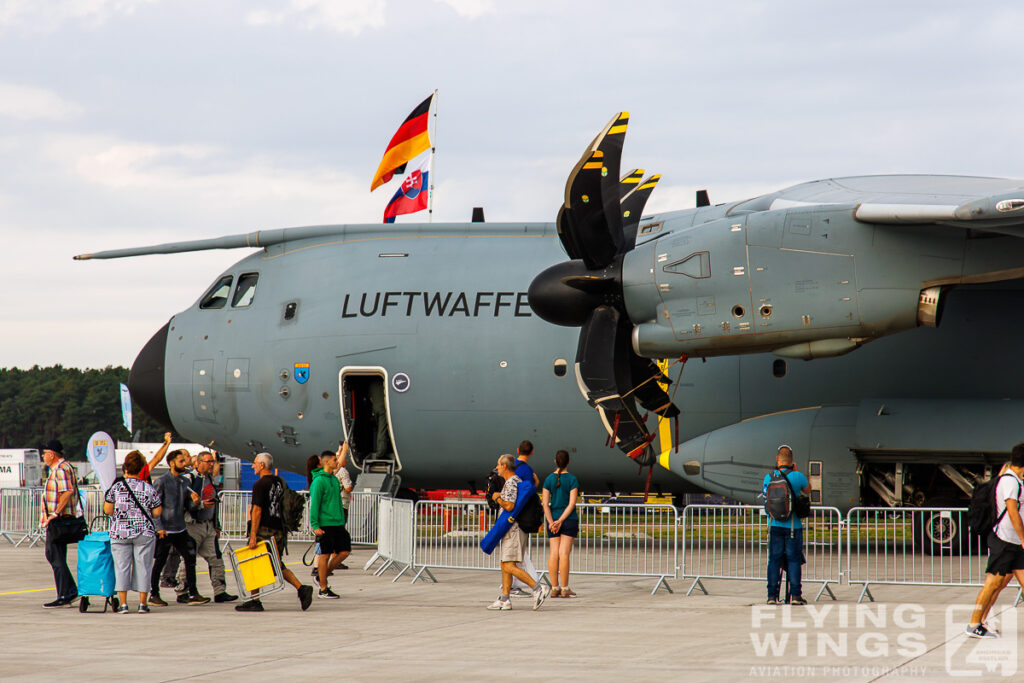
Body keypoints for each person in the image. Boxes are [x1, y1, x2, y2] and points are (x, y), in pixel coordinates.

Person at [235, 452, 314, 612]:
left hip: (264, 529)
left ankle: (255, 601)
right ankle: (300, 589)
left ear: (262, 465)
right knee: (276, 563)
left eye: (255, 463)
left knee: (255, 561)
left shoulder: (260, 485)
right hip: (279, 529)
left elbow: (256, 511)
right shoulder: (280, 481)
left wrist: (253, 534)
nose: (253, 466)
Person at [966, 445, 1024, 638]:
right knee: (993, 583)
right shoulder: (1011, 482)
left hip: (1015, 543)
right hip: (1005, 541)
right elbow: (1013, 512)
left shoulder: (1014, 480)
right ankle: (974, 624)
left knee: (1001, 584)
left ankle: (980, 621)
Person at [487, 454, 551, 611]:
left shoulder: (510, 483)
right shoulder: (516, 481)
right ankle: (504, 599)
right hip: (512, 529)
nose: (497, 468)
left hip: (513, 529)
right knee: (505, 564)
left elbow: (509, 506)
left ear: (505, 466)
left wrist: (497, 498)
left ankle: (538, 588)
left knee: (508, 565)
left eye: (498, 465)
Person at [103, 451, 163, 613]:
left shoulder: (116, 487)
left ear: (125, 468)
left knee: (122, 566)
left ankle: (123, 604)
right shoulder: (148, 487)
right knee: (143, 566)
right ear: (141, 468)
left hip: (120, 532)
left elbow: (108, 510)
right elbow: (157, 512)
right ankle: (143, 603)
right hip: (144, 532)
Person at [174, 450, 236, 604]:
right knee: (188, 559)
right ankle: (183, 590)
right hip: (192, 526)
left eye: (212, 462)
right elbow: (183, 502)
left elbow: (214, 504)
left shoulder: (209, 480)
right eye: (208, 462)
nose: (211, 465)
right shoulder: (188, 479)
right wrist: (199, 504)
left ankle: (220, 591)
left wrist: (217, 525)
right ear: (199, 462)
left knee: (216, 559)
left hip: (208, 526)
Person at [150, 449, 209, 606]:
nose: (185, 464)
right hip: (166, 529)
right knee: (160, 561)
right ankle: (153, 594)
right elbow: (154, 507)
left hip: (180, 528)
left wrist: (196, 502)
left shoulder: (185, 482)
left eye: (185, 461)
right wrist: (159, 527)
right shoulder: (161, 481)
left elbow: (187, 506)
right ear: (172, 463)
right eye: (181, 461)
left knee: (190, 557)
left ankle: (193, 593)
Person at [763, 445, 811, 606]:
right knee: (793, 560)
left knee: (774, 560)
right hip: (793, 526)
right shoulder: (798, 476)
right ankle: (796, 596)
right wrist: (797, 471)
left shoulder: (769, 477)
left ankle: (771, 596)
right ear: (792, 461)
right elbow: (808, 490)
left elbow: (765, 499)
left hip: (774, 525)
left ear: (777, 460)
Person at [39, 440, 84, 608]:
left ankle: (67, 592)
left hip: (58, 520)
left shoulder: (61, 469)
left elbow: (67, 492)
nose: (43, 456)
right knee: (55, 556)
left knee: (54, 556)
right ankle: (68, 590)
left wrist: (55, 513)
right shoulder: (62, 468)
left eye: (44, 453)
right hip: (58, 519)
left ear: (52, 454)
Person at [309, 450, 349, 599]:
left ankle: (322, 576)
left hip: (338, 523)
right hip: (325, 524)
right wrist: (315, 525)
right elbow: (315, 505)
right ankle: (323, 589)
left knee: (344, 551)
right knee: (325, 555)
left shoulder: (333, 479)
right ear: (326, 462)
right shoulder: (319, 481)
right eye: (334, 459)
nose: (336, 461)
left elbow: (338, 501)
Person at [542, 450, 580, 598]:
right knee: (564, 554)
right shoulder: (572, 479)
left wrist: (552, 521)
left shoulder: (548, 480)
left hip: (553, 519)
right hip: (568, 519)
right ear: (568, 462)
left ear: (555, 462)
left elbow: (545, 504)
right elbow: (571, 504)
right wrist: (561, 520)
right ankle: (565, 588)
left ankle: (554, 587)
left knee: (554, 553)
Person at [508, 440, 540, 596]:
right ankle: (518, 586)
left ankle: (512, 586)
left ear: (517, 450)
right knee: (517, 553)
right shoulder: (527, 470)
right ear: (532, 452)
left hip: (508, 514)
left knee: (512, 555)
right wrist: (536, 485)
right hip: (519, 516)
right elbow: (526, 492)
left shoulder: (509, 466)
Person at [335, 442, 354, 570]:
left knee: (334, 532)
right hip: (342, 505)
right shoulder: (343, 472)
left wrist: (340, 449)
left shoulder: (330, 472)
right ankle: (336, 559)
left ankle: (333, 558)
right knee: (340, 533)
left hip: (333, 506)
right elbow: (348, 488)